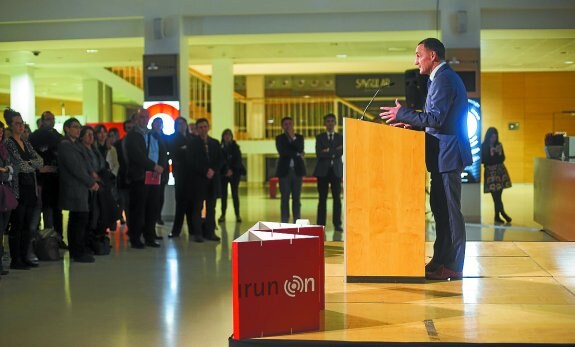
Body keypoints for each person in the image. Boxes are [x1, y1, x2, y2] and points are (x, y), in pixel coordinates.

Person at [380, 37, 472, 280]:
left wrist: (405, 113)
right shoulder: (439, 78)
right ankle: (440, 260)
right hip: (441, 156)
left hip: (449, 156)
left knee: (451, 214)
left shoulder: (444, 78)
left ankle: (454, 265)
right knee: (440, 211)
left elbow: (437, 119)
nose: (415, 60)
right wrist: (414, 125)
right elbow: (436, 120)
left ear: (433, 56)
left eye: (418, 55)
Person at [5, 110, 44, 269]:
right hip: (17, 189)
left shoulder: (26, 142)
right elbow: (19, 166)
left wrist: (29, 166)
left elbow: (40, 161)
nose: (21, 126)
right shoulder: (8, 143)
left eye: (22, 123)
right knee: (17, 225)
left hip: (30, 188)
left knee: (28, 225)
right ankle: (16, 259)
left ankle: (24, 256)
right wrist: (30, 165)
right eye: (17, 123)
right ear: (10, 125)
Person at [58, 118, 99, 263]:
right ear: (67, 129)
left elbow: (85, 163)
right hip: (74, 187)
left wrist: (92, 175)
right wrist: (90, 182)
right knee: (78, 219)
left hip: (80, 187)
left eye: (78, 127)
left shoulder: (76, 145)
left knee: (80, 219)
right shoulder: (65, 145)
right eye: (74, 127)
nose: (78, 130)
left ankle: (78, 249)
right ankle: (77, 251)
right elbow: (75, 167)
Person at [124, 108, 165, 249]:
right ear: (136, 119)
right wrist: (154, 166)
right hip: (140, 177)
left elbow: (163, 151)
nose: (144, 120)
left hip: (154, 176)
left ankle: (149, 236)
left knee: (152, 208)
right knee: (138, 209)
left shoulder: (154, 134)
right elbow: (137, 156)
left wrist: (161, 166)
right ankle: (135, 238)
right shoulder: (132, 136)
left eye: (146, 117)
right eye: (141, 117)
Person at [29, 110, 65, 248]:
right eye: (48, 118)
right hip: (39, 181)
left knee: (55, 212)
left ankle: (56, 240)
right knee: (38, 212)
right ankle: (36, 242)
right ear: (42, 121)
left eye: (53, 118)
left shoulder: (57, 136)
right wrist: (41, 168)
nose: (51, 121)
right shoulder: (35, 137)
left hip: (55, 181)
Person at [185, 118, 224, 242]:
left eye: (205, 127)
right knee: (197, 207)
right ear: (197, 129)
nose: (203, 129)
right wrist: (205, 170)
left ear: (208, 127)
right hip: (198, 180)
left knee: (211, 207)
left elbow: (220, 159)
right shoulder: (192, 144)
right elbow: (191, 161)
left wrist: (213, 169)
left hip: (212, 180)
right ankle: (198, 233)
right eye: (200, 127)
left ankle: (210, 232)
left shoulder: (215, 142)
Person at [313, 113, 343, 237]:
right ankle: (321, 224)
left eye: (332, 121)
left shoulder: (340, 137)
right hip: (322, 172)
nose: (330, 123)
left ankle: (337, 224)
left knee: (337, 199)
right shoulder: (319, 137)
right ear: (325, 123)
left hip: (336, 171)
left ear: (335, 123)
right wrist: (334, 150)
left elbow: (341, 152)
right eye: (328, 121)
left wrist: (328, 151)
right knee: (322, 199)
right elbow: (319, 153)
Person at [275, 116, 306, 223]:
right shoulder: (279, 138)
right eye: (286, 124)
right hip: (284, 172)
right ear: (282, 126)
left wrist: (293, 138)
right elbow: (283, 152)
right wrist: (297, 153)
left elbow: (300, 148)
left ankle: (297, 219)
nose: (288, 126)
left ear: (293, 125)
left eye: (290, 124)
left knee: (296, 197)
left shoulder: (299, 137)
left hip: (297, 171)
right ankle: (284, 220)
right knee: (285, 197)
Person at [168, 117, 193, 238]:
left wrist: (184, 150)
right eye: (178, 124)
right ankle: (176, 230)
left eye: (183, 123)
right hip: (180, 174)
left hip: (191, 174)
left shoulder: (191, 138)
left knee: (191, 203)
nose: (181, 126)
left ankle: (193, 230)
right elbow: (173, 153)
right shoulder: (173, 138)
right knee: (180, 202)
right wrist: (183, 150)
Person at [481, 127, 512, 225]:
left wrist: (498, 153)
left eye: (495, 137)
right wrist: (492, 155)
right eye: (492, 137)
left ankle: (497, 216)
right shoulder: (484, 146)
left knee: (498, 195)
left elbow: (502, 158)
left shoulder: (499, 145)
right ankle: (502, 213)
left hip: (499, 172)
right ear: (488, 137)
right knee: (495, 196)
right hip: (490, 173)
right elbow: (484, 160)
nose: (494, 139)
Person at [218, 128, 244, 224]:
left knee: (235, 194)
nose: (227, 137)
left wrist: (231, 170)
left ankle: (237, 215)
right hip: (223, 175)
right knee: (223, 195)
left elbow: (238, 160)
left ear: (232, 137)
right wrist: (226, 170)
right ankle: (223, 214)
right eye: (225, 135)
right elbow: (220, 160)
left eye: (229, 135)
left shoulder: (236, 147)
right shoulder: (220, 147)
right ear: (223, 137)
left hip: (234, 174)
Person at [0, 120, 15, 277]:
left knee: (3, 227)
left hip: (6, 190)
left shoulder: (4, 148)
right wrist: (7, 170)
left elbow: (12, 167)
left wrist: (7, 170)